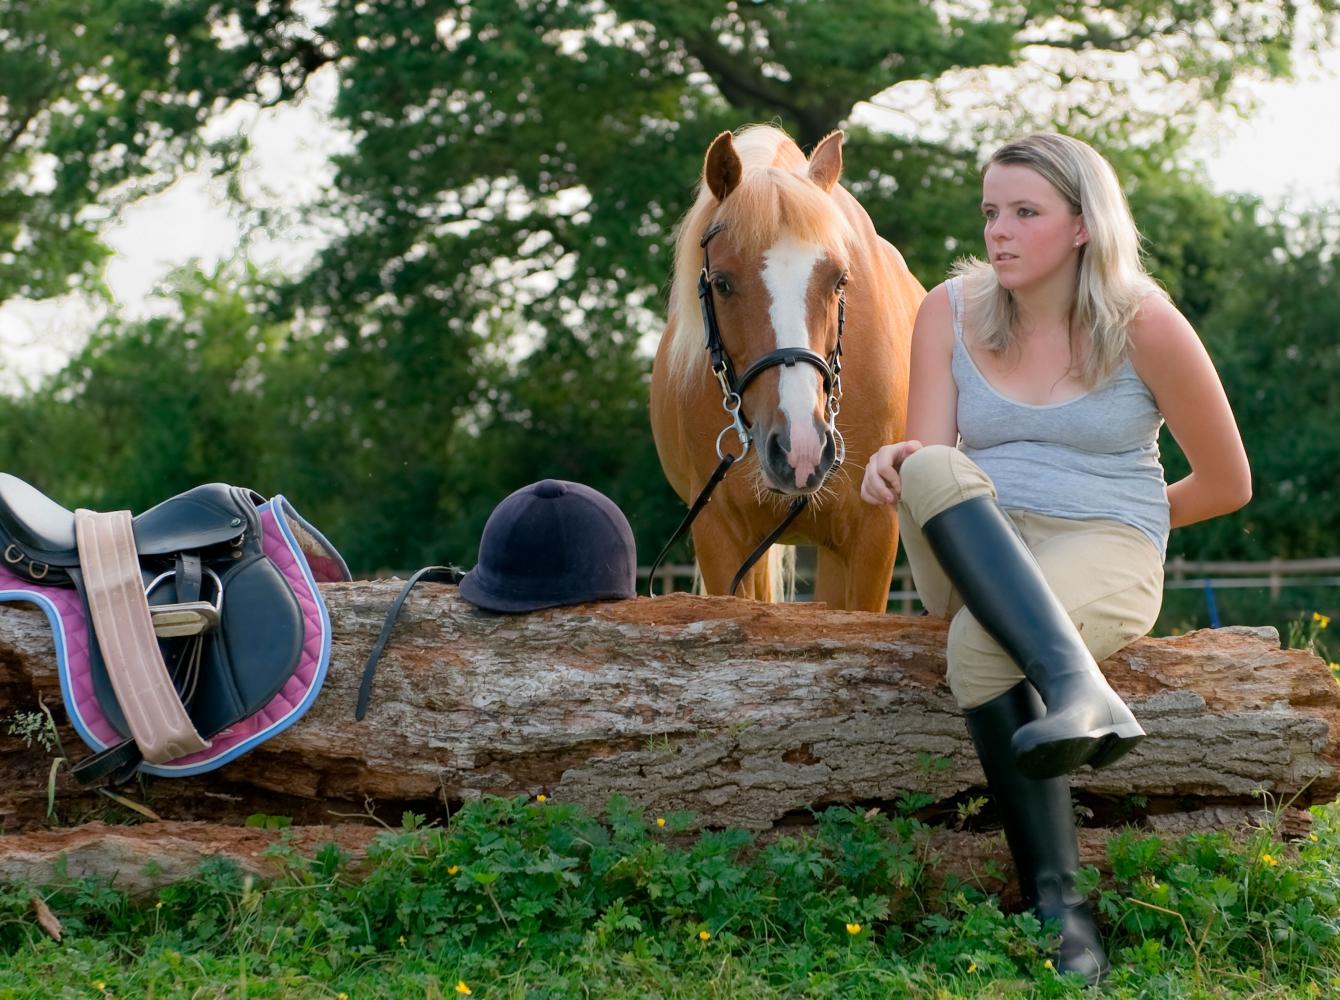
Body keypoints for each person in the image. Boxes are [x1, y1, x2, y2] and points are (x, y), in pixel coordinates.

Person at [860, 133, 1251, 983]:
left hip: (1103, 542)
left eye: (1025, 212)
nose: (999, 231)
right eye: (991, 212)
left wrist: (1127, 526)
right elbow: (930, 452)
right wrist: (891, 464)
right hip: (972, 533)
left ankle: (1059, 903)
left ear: (1082, 224)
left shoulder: (1144, 322)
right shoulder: (948, 310)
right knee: (925, 460)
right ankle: (1080, 689)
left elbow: (1228, 482)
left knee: (975, 648)